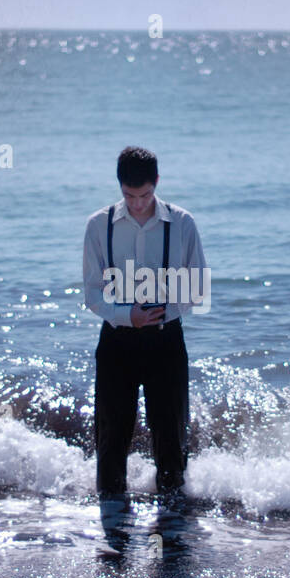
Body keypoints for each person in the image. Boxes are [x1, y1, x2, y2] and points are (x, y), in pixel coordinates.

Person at [83, 146, 207, 503]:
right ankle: (111, 531)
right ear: (120, 187)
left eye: (145, 195)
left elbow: (198, 287)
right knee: (111, 437)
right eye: (129, 196)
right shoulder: (98, 224)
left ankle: (171, 528)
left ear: (157, 183)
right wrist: (127, 315)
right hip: (116, 342)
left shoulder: (182, 222)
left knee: (170, 437)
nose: (137, 204)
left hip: (165, 341)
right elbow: (93, 293)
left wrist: (161, 309)